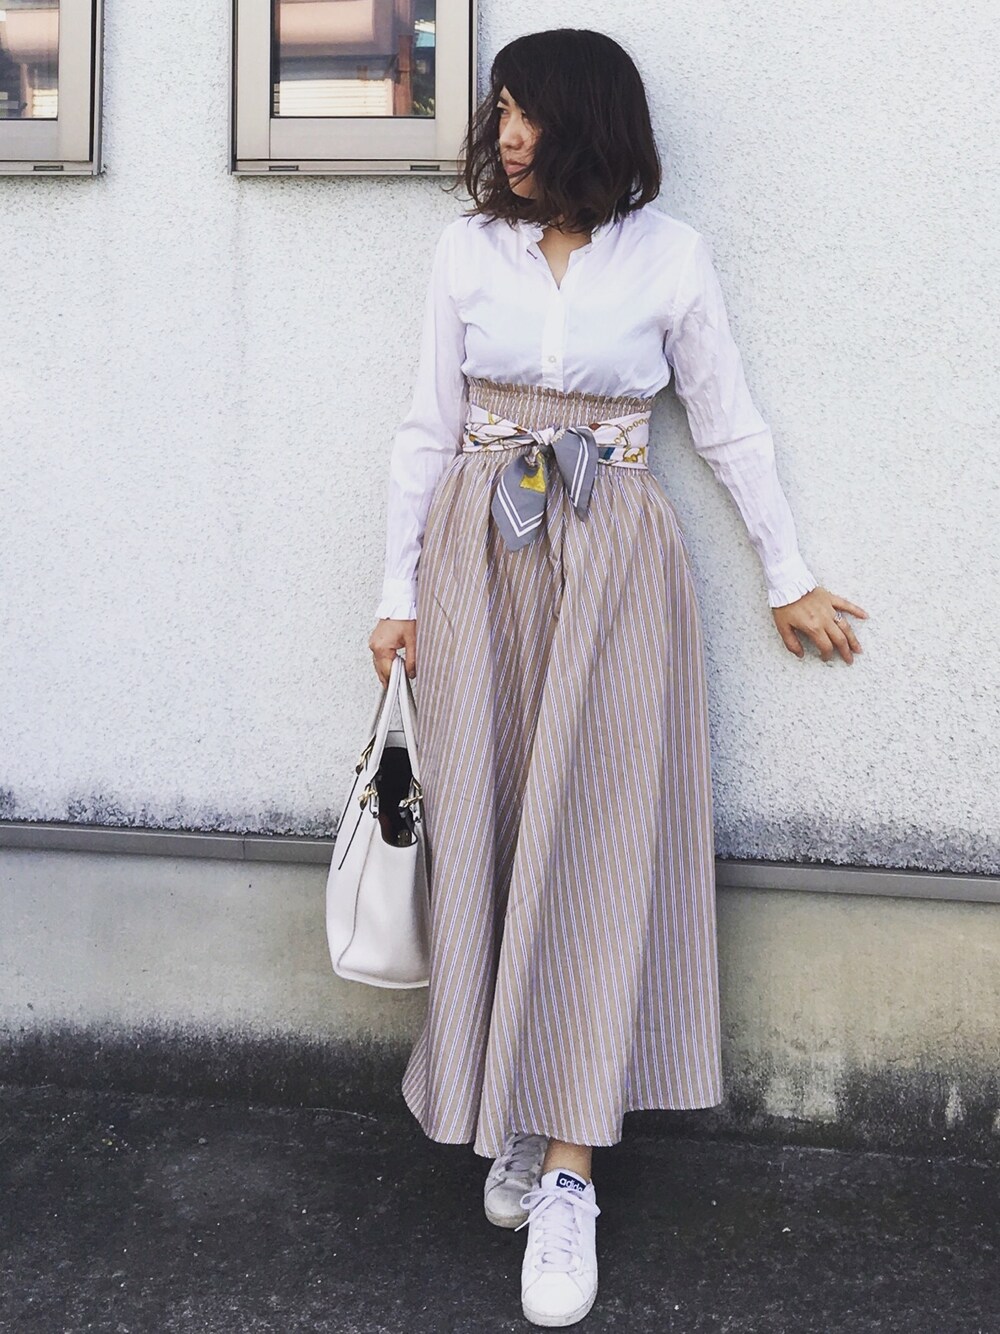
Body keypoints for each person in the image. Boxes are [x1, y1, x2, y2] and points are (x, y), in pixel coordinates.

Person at [368, 27, 867, 1328]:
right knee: (487, 825)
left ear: (591, 121)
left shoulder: (670, 256)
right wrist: (394, 591)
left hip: (614, 556)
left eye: (528, 112)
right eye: (500, 110)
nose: (507, 133)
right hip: (480, 553)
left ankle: (569, 1171)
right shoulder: (467, 250)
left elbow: (727, 420)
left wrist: (788, 573)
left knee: (592, 842)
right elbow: (425, 423)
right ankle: (512, 1110)